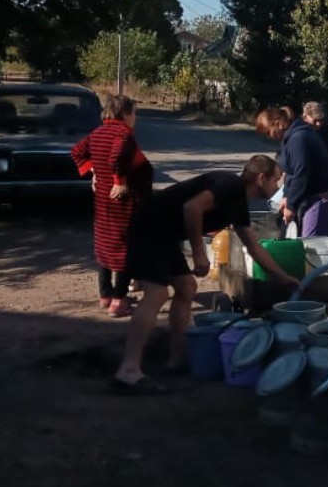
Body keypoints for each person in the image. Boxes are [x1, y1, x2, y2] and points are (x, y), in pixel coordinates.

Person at [114, 155, 300, 394]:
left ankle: (176, 358)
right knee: (157, 293)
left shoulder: (239, 203)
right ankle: (128, 370)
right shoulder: (228, 185)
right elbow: (192, 207)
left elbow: (254, 247)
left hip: (164, 234)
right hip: (149, 227)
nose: (277, 187)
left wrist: (282, 277)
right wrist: (200, 253)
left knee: (186, 287)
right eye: (276, 180)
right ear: (261, 178)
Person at [71, 94, 153, 318]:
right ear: (124, 114)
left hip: (103, 204)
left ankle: (105, 295)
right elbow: (117, 156)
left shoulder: (97, 133)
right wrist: (120, 181)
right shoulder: (122, 134)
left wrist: (94, 172)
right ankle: (119, 300)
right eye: (134, 113)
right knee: (125, 252)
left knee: (105, 247)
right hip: (123, 203)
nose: (135, 118)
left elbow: (77, 152)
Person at [255, 106, 328, 238]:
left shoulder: (298, 138)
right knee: (308, 239)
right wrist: (286, 196)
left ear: (277, 124)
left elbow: (301, 174)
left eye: (268, 133)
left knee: (312, 241)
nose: (269, 137)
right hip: (315, 194)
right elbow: (291, 171)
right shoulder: (291, 135)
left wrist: (291, 205)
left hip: (322, 196)